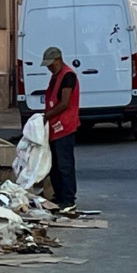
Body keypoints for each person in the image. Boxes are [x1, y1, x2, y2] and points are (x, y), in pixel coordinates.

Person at [41, 47, 79, 213]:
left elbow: (65, 103)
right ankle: (60, 196)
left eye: (51, 64)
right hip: (54, 127)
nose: (49, 68)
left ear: (58, 59)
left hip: (65, 126)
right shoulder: (56, 76)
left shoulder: (68, 76)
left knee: (65, 165)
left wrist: (46, 116)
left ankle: (69, 199)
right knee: (54, 165)